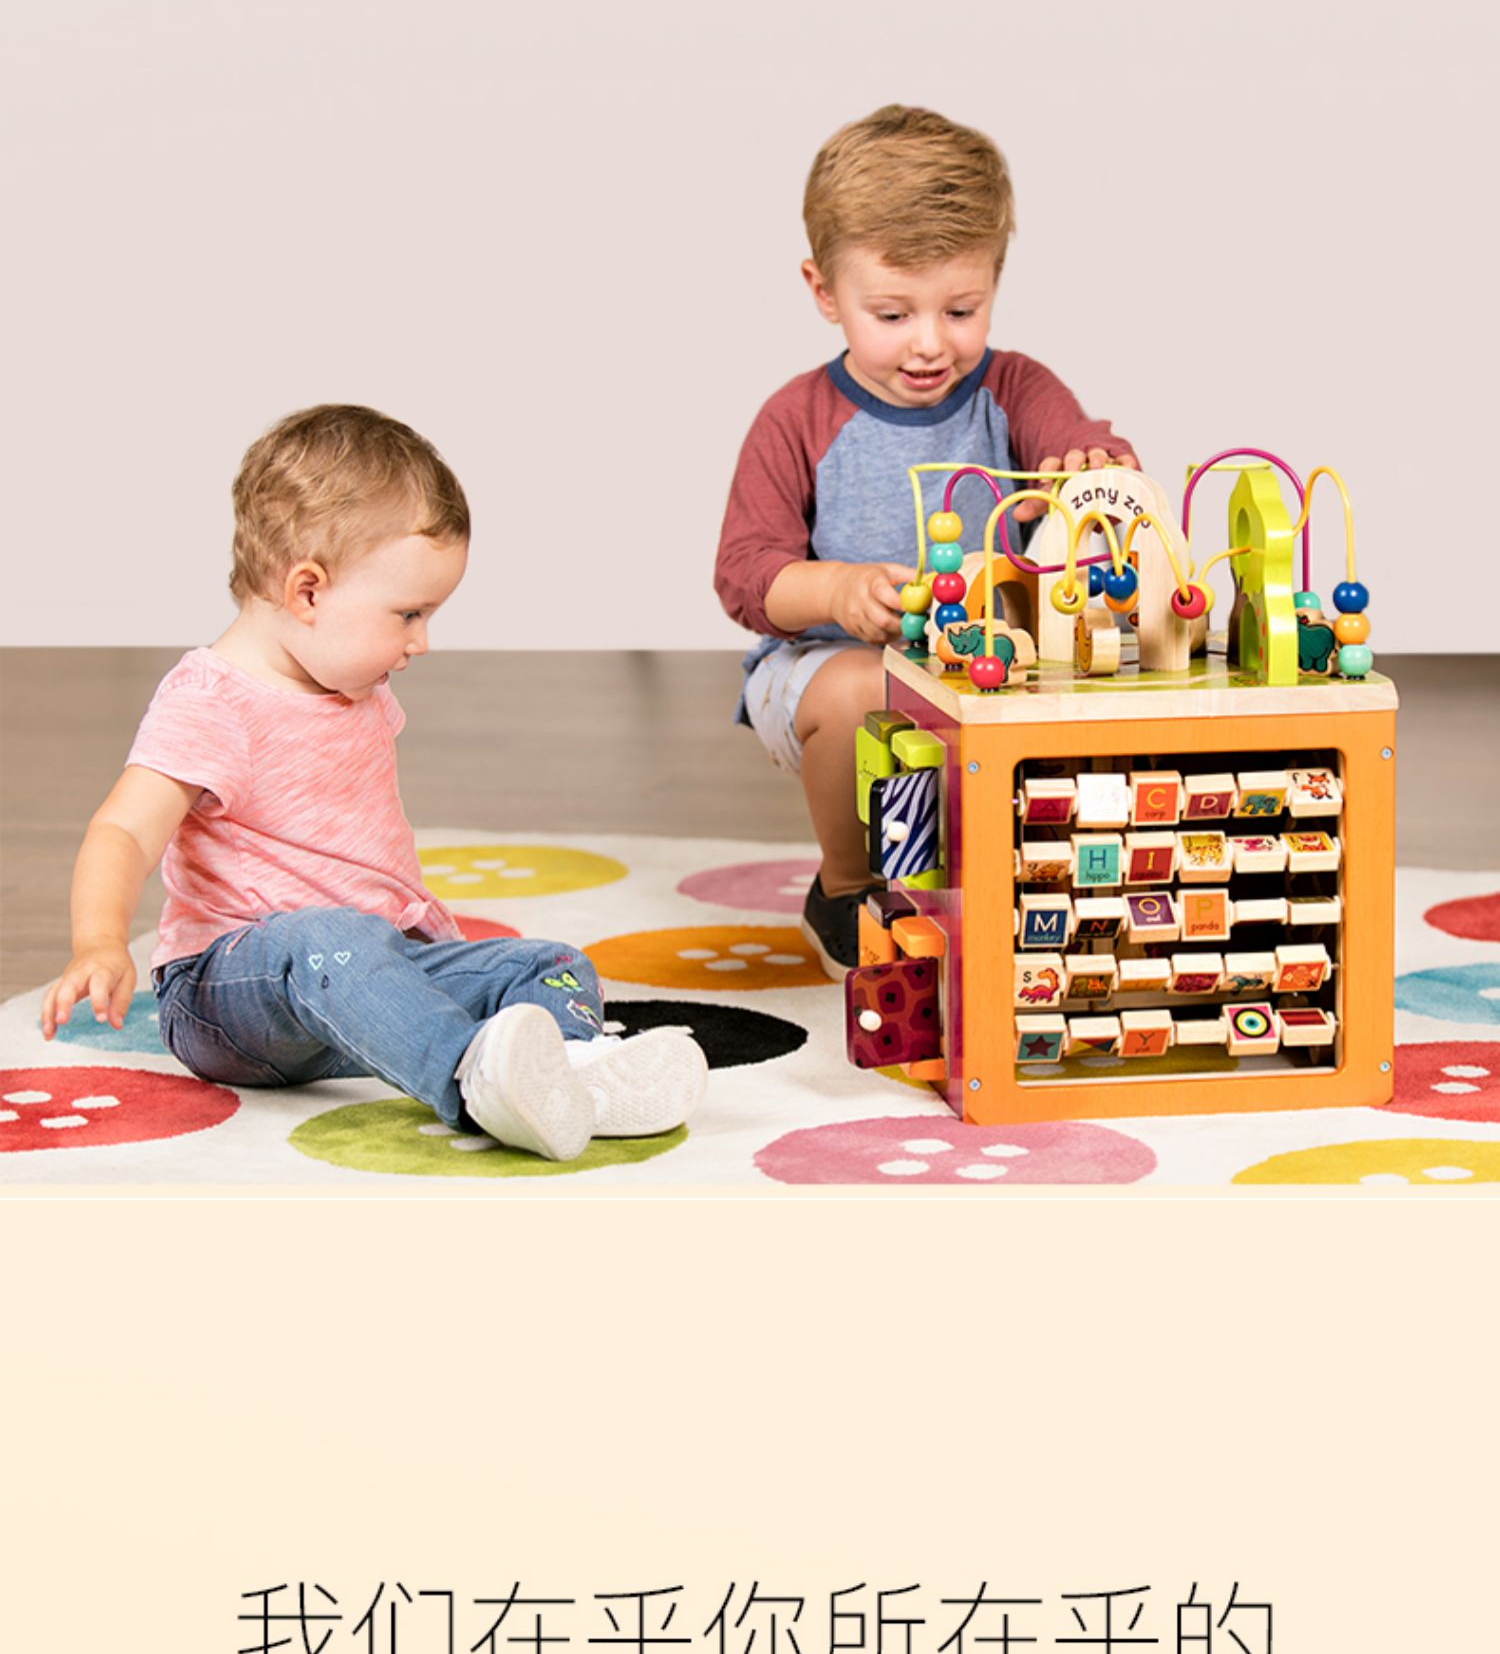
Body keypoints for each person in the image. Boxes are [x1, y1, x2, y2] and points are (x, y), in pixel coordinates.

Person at [41, 404, 706, 1160]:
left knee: (546, 965)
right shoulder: (211, 702)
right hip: (230, 997)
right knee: (331, 937)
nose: (422, 642)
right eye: (409, 614)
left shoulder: (352, 684)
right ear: (308, 592)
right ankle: (473, 1083)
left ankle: (574, 1077)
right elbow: (124, 830)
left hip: (363, 978)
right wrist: (99, 941)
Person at [714, 104, 1139, 977]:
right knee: (864, 686)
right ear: (824, 293)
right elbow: (746, 574)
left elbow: (1078, 445)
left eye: (961, 309)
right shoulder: (797, 418)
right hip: (825, 669)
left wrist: (1089, 470)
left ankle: (1025, 882)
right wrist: (836, 591)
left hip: (987, 663)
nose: (930, 344)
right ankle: (845, 888)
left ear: (994, 282)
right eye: (892, 314)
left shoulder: (1015, 389)